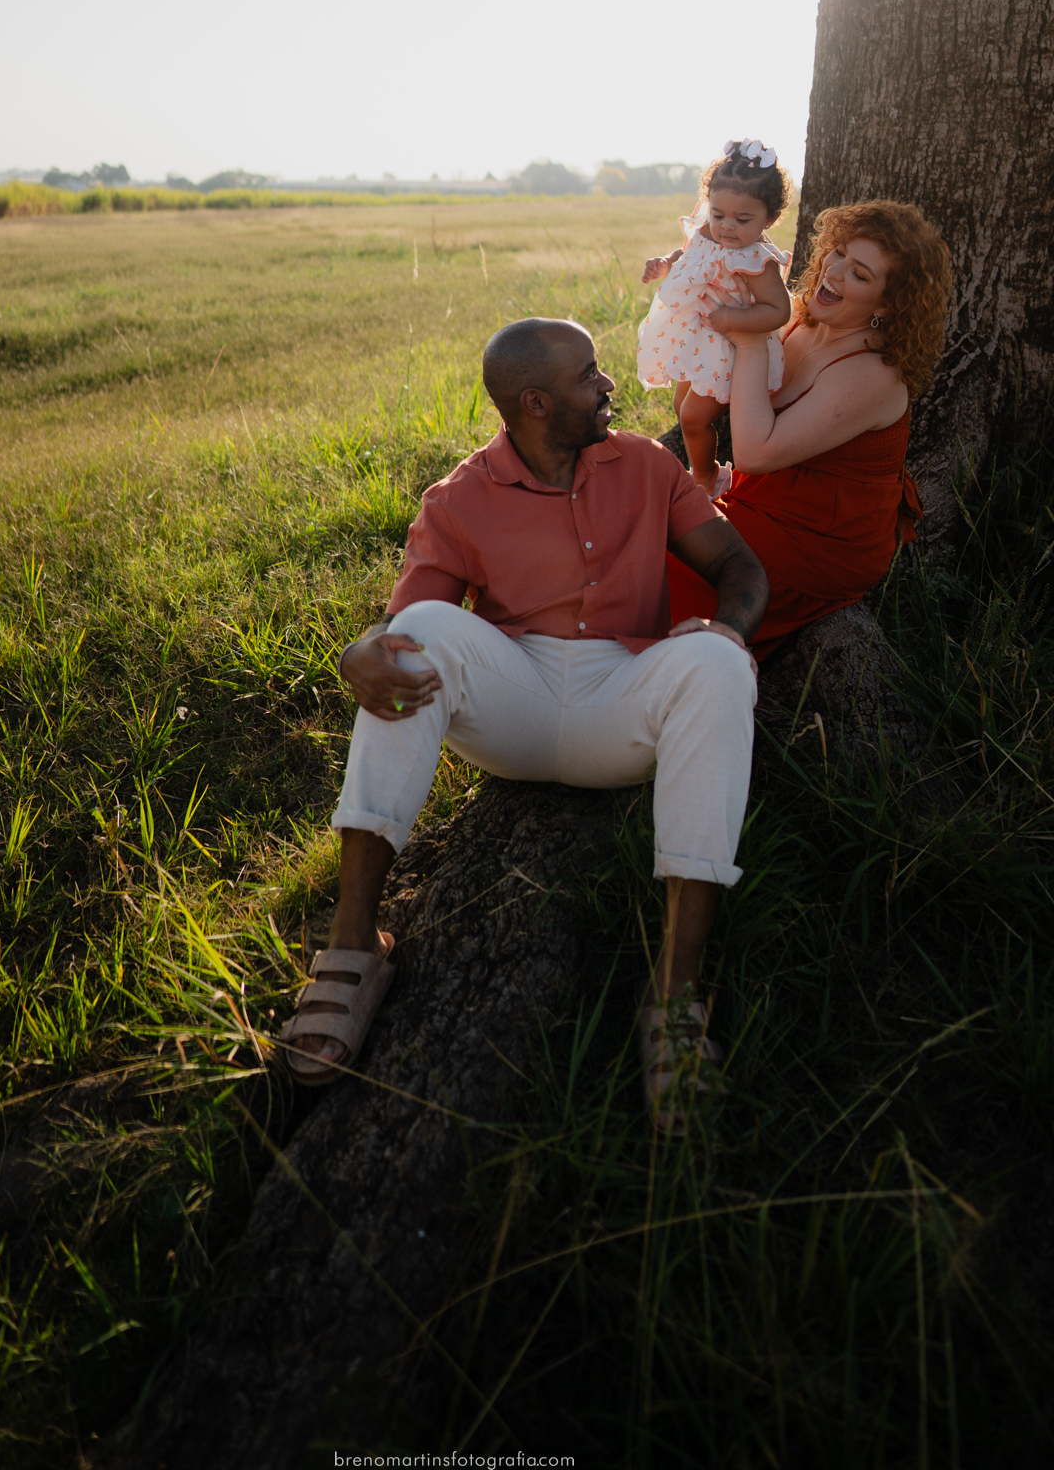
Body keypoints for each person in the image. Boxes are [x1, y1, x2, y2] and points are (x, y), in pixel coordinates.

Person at [278, 318, 770, 1126]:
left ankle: (676, 993)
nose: (608, 385)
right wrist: (360, 651)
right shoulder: (462, 498)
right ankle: (354, 942)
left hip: (626, 698)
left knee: (718, 665)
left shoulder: (648, 466)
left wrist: (728, 630)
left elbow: (737, 567)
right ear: (536, 403)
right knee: (427, 635)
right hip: (516, 701)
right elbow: (404, 628)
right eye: (590, 375)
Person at [662, 200, 952, 658]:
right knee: (639, 505)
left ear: (889, 304)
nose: (834, 273)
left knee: (656, 558)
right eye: (837, 252)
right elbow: (705, 376)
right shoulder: (796, 316)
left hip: (819, 543)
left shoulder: (874, 375)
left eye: (860, 274)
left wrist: (750, 338)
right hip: (763, 499)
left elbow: (756, 452)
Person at [637, 139, 793, 499]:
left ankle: (706, 479)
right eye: (718, 213)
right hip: (698, 338)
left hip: (730, 348)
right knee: (680, 406)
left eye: (742, 219)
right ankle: (706, 467)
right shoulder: (709, 229)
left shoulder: (756, 260)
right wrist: (665, 264)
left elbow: (778, 310)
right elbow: (690, 251)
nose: (727, 227)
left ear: (769, 219)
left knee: (693, 417)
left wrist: (731, 318)